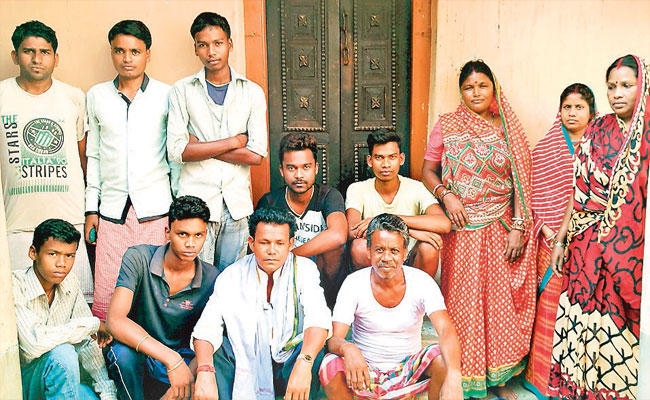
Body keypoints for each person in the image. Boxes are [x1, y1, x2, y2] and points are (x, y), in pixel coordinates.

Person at [421, 59, 536, 399]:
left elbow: (521, 180)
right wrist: (446, 195)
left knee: (499, 305)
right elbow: (428, 170)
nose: (476, 93)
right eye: (468, 87)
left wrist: (518, 226)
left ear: (493, 88)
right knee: (464, 305)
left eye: (482, 86)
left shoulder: (508, 128)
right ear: (461, 92)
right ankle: (465, 377)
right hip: (463, 229)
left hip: (502, 225)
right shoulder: (447, 125)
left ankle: (498, 380)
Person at [548, 54, 649, 399]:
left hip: (630, 251)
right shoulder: (597, 128)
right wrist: (561, 239)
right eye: (611, 86)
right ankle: (578, 389)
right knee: (581, 319)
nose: (617, 93)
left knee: (618, 322)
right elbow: (577, 191)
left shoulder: (647, 136)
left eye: (626, 85)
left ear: (643, 87)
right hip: (584, 244)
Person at [85, 19, 176, 323]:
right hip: (112, 212)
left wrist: (176, 210)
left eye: (135, 51)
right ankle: (112, 350)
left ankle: (153, 348)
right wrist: (91, 210)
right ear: (111, 52)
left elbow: (175, 157)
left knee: (154, 288)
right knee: (109, 292)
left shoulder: (166, 95)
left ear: (147, 53)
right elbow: (94, 156)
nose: (127, 58)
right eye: (119, 51)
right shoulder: (97, 95)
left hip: (156, 211)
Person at [191, 207, 331, 400]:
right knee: (218, 351)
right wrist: (205, 370)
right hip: (245, 358)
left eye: (279, 243)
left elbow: (319, 319)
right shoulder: (232, 275)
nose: (272, 250)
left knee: (311, 349)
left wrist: (304, 362)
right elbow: (207, 327)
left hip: (288, 360)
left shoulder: (305, 270)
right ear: (251, 243)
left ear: (291, 244)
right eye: (264, 243)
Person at [318, 213, 462, 399]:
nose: (386, 258)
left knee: (442, 358)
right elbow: (334, 339)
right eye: (379, 250)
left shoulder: (422, 282)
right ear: (368, 251)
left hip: (408, 372)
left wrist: (454, 376)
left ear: (404, 253)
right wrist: (349, 349)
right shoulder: (353, 283)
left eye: (394, 251)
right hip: (364, 372)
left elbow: (445, 329)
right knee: (329, 365)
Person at [0, 20, 93, 301]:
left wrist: (91, 209)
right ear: (15, 56)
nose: (37, 59)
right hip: (17, 222)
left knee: (73, 304)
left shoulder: (73, 97)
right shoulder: (2, 95)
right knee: (19, 304)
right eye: (28, 51)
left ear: (56, 57)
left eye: (44, 52)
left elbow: (85, 158)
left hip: (69, 219)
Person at [167, 11, 268, 270]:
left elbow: (256, 154)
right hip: (195, 203)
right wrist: (234, 141)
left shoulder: (251, 92)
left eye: (218, 43)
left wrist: (199, 146)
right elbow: (177, 151)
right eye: (203, 45)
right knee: (195, 277)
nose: (211, 51)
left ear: (229, 44)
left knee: (232, 279)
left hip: (236, 204)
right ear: (195, 49)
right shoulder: (182, 90)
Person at [104, 195, 219, 400]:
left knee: (216, 357)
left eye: (198, 235)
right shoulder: (138, 258)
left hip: (184, 363)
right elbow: (115, 320)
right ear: (167, 232)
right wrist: (171, 359)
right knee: (122, 355)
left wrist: (186, 377)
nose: (191, 243)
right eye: (182, 234)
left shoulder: (212, 277)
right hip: (142, 354)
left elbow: (211, 337)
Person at [523, 83, 596, 398]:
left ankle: (575, 380)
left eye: (579, 107)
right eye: (567, 107)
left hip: (590, 239)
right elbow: (533, 192)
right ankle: (542, 379)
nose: (572, 113)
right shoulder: (547, 149)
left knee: (583, 308)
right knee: (551, 307)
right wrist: (549, 232)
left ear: (592, 112)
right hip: (550, 238)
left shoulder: (600, 147)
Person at [12, 218, 117, 399]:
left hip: (58, 384)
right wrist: (92, 324)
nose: (62, 263)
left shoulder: (70, 282)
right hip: (24, 384)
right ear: (33, 253)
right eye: (53, 254)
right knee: (64, 353)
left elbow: (87, 343)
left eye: (69, 255)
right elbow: (34, 345)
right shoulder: (15, 284)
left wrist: (107, 392)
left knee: (91, 396)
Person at [257, 132, 347, 307]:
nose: (299, 175)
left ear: (316, 168)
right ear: (281, 170)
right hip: (282, 269)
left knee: (333, 248)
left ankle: (329, 305)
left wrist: (291, 256)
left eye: (306, 167)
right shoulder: (270, 201)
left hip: (318, 268)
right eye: (291, 168)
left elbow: (338, 235)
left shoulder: (328, 196)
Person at [345, 129, 450, 277]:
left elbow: (443, 224)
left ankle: (418, 292)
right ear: (369, 160)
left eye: (392, 157)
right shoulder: (357, 189)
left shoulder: (417, 188)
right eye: (379, 158)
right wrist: (408, 231)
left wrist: (387, 219)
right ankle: (372, 290)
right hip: (377, 258)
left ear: (401, 159)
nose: (386, 164)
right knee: (359, 247)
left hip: (410, 258)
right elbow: (352, 231)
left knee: (428, 247)